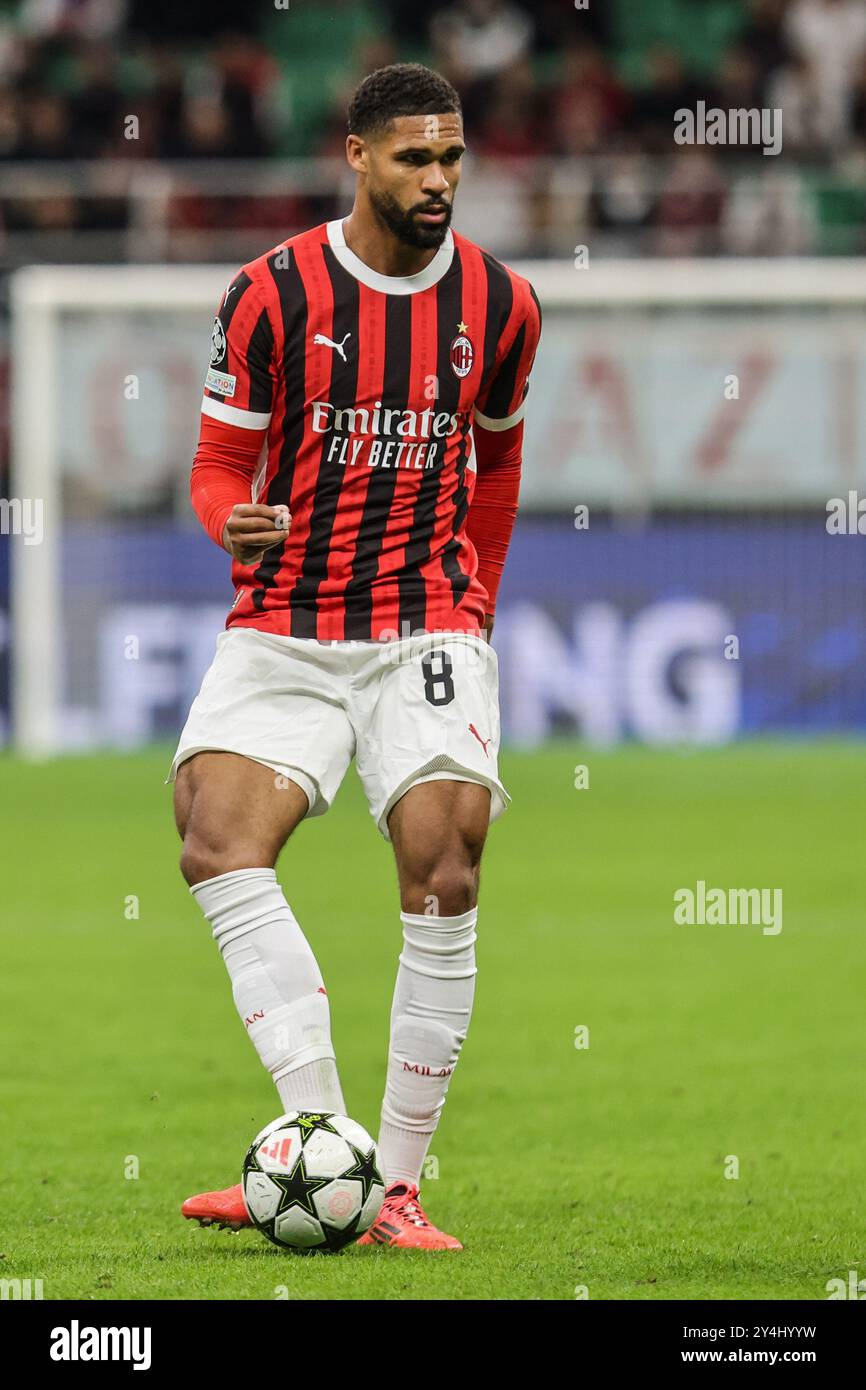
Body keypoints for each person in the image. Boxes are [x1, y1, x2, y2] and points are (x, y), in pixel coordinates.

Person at [168, 62, 541, 1250]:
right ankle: (321, 1148)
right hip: (287, 619)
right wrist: (227, 519)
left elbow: (494, 468)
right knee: (214, 836)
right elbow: (219, 467)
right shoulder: (269, 293)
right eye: (414, 159)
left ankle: (400, 1190)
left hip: (423, 622)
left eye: (452, 158)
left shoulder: (502, 304)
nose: (438, 180)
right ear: (358, 156)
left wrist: (473, 607)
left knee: (445, 864)